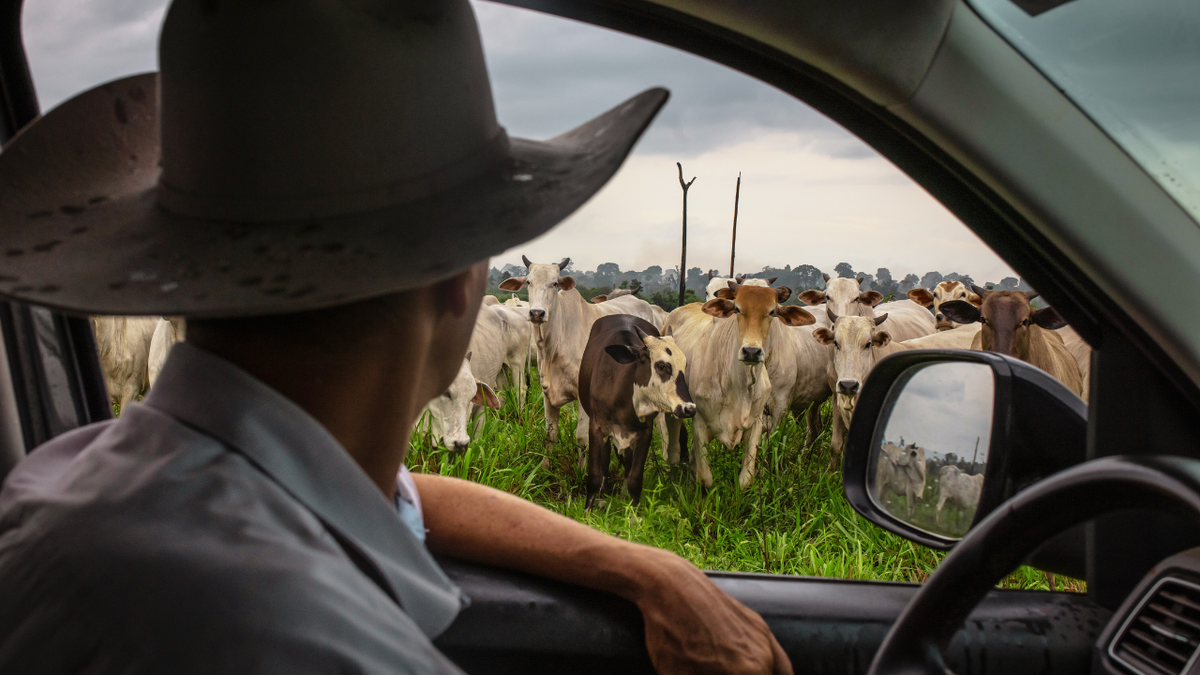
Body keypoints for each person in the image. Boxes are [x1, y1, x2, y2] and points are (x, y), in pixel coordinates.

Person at [0, 1, 792, 673]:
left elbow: (399, 498)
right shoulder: (337, 649)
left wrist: (643, 566)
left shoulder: (61, 484)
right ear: (462, 277)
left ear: (184, 267)